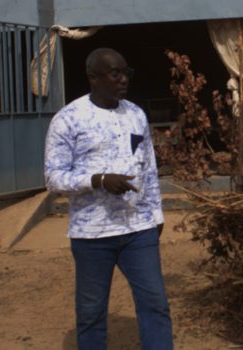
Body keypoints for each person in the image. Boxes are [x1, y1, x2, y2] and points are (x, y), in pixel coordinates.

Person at [44, 48, 173, 350]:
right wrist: (98, 181)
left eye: (126, 72)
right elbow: (53, 178)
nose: (123, 79)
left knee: (155, 303)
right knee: (91, 313)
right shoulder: (68, 119)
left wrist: (156, 215)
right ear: (93, 77)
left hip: (138, 229)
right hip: (92, 236)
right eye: (115, 73)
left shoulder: (136, 114)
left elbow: (149, 169)